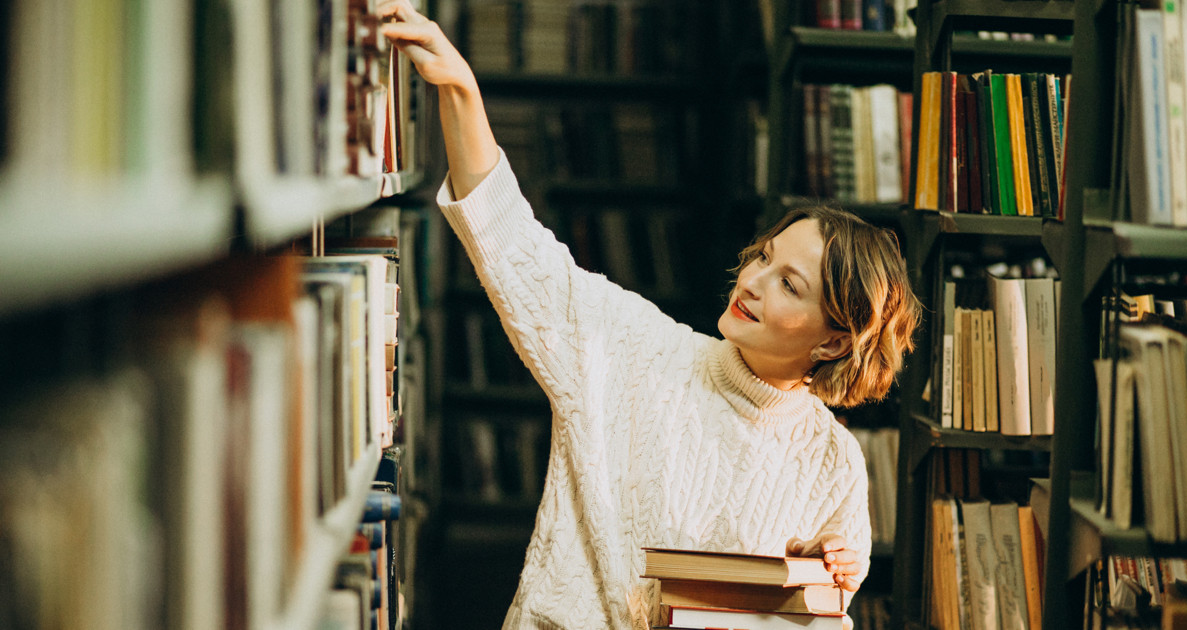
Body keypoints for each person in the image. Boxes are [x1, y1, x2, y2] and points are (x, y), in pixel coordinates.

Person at [379, 2, 921, 628]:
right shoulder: (633, 347)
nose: (750, 280)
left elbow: (825, 609)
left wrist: (820, 577)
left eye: (789, 285)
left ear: (832, 342)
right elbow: (517, 251)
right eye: (764, 257)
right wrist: (462, 93)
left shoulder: (833, 461)